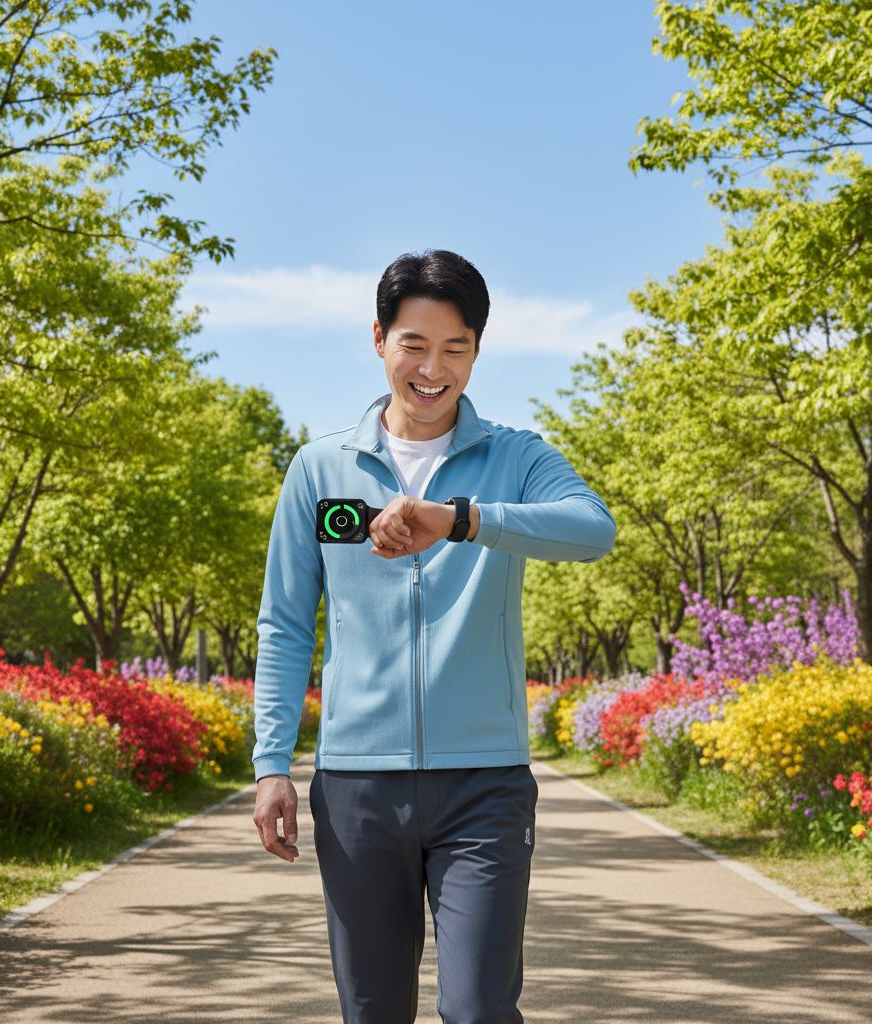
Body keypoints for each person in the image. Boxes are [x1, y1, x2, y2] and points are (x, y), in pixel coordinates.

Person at [251, 250, 616, 1024]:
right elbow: (284, 624)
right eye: (413, 344)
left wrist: (461, 520)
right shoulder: (320, 470)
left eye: (455, 348)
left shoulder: (516, 458)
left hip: (484, 783)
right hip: (356, 787)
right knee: (374, 1011)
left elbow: (592, 530)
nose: (432, 367)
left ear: (478, 351)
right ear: (379, 339)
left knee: (481, 1011)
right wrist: (271, 764)